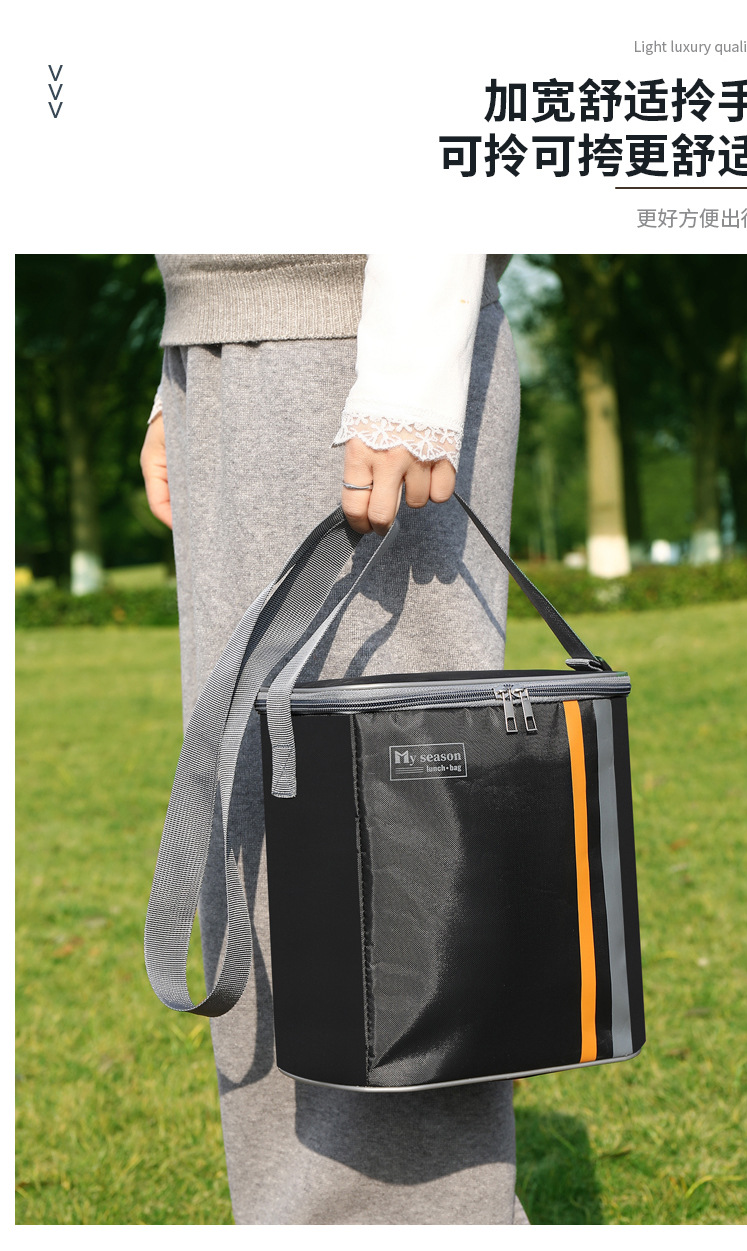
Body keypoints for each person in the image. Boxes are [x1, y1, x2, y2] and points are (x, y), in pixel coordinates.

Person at [140, 253, 528, 1225]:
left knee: (392, 859)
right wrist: (182, 371)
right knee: (263, 832)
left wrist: (406, 376)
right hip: (224, 345)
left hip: (349, 348)